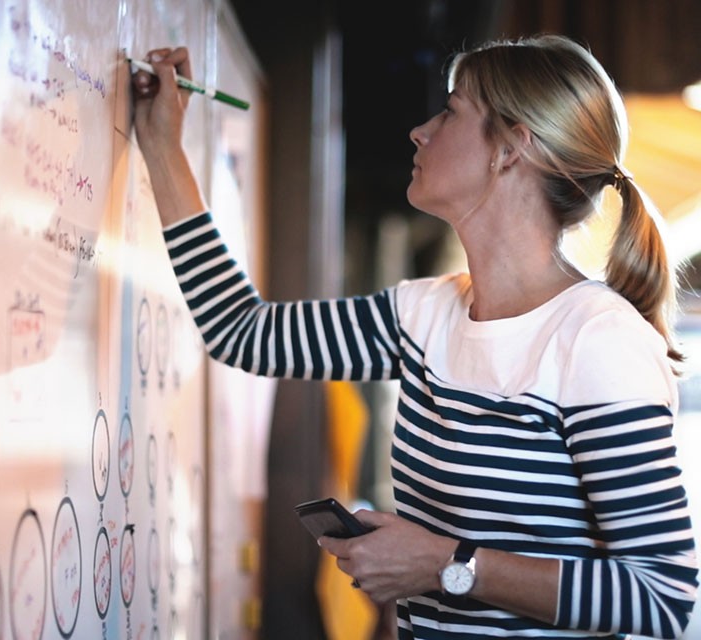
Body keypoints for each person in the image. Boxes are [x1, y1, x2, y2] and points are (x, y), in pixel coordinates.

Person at [132, 34, 699, 639]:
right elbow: (243, 332)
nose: (420, 131)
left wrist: (444, 564)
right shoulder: (425, 314)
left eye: (451, 111)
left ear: (511, 148)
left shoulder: (596, 340)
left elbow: (662, 597)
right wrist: (164, 146)